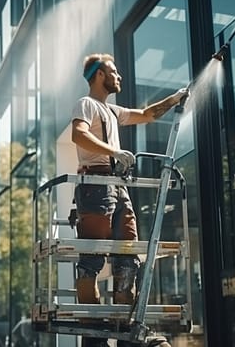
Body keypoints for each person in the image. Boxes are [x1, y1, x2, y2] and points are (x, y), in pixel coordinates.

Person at [71, 53, 187, 347]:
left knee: (128, 260)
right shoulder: (87, 105)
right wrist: (114, 153)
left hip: (118, 187)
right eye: (114, 71)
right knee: (90, 263)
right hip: (95, 185)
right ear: (99, 75)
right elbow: (78, 134)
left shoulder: (112, 111)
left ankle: (127, 337)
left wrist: (173, 100)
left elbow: (147, 114)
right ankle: (94, 339)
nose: (119, 76)